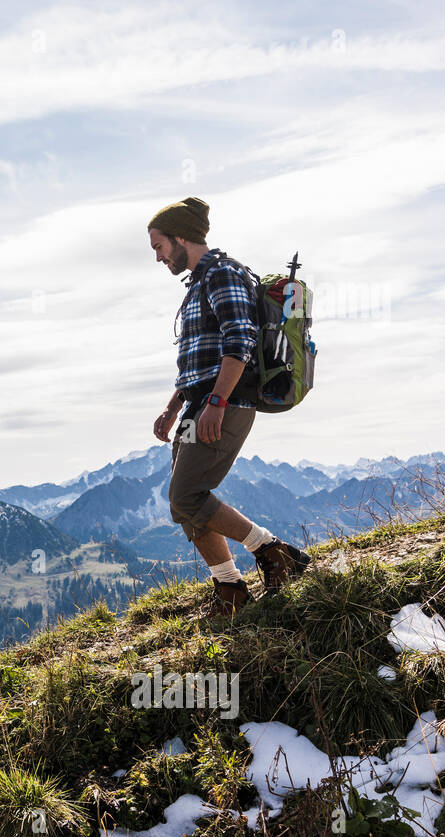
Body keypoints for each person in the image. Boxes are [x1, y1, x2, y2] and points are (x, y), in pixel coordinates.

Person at [146, 196, 310, 615]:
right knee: (182, 506)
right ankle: (231, 588)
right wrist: (172, 407)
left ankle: (275, 552)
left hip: (225, 402)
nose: (159, 257)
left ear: (181, 238)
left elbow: (239, 342)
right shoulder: (198, 284)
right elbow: (198, 360)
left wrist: (217, 402)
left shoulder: (223, 273)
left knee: (188, 495)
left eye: (159, 247)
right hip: (196, 404)